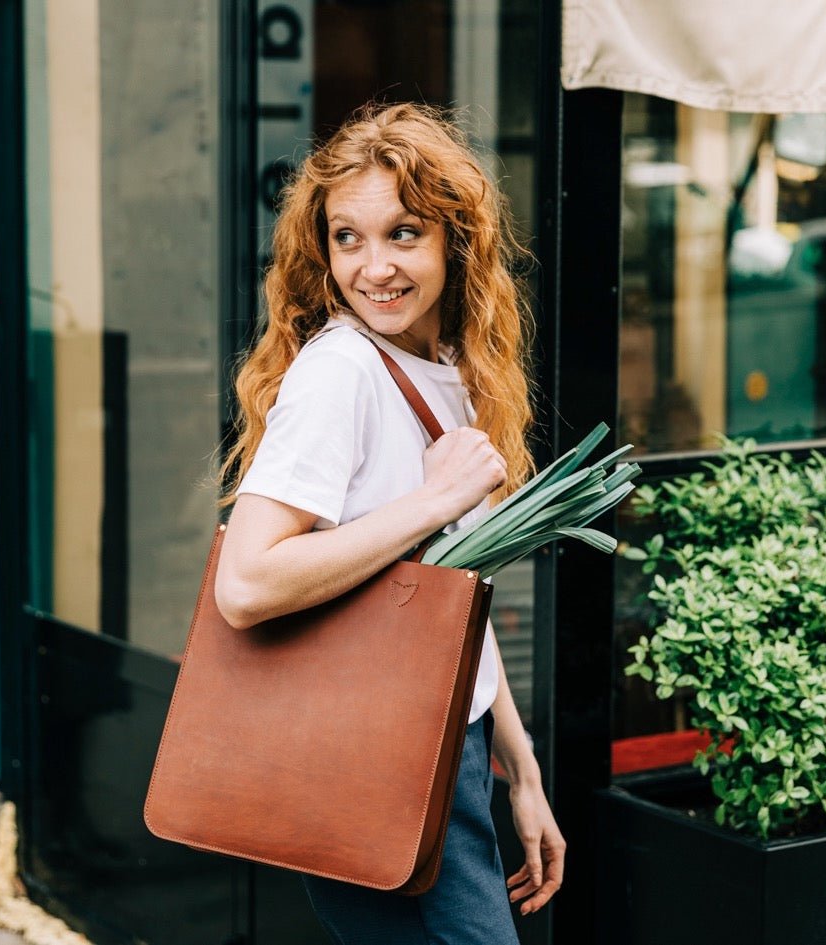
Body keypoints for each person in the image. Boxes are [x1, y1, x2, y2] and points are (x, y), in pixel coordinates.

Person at [215, 102, 565, 945]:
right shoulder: (343, 372)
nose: (374, 267)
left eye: (403, 233)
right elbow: (246, 582)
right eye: (347, 238)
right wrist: (431, 500)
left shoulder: (442, 365)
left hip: (450, 749)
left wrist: (517, 763)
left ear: (455, 239)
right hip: (374, 759)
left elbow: (445, 592)